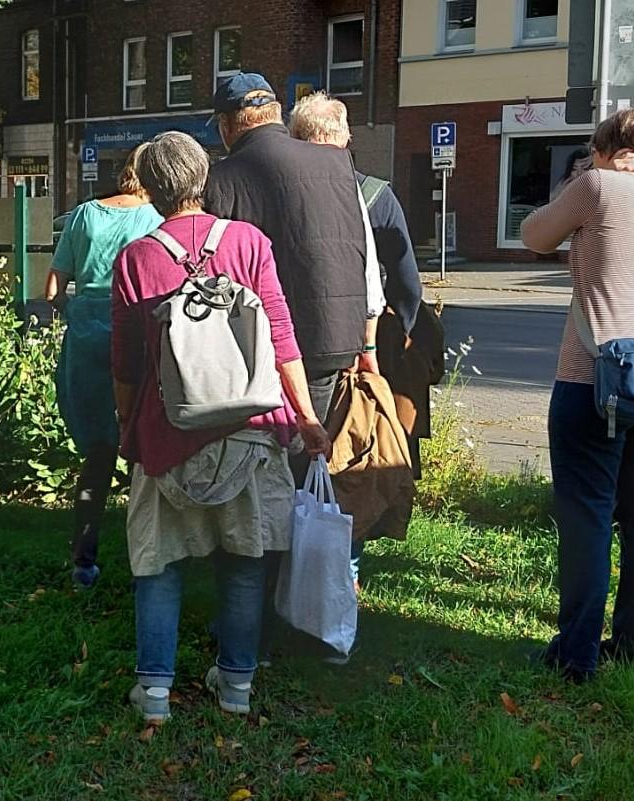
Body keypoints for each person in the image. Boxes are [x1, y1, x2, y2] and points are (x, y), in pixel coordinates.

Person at [111, 132, 332, 723]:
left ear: (151, 190)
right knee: (243, 562)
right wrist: (307, 418)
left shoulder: (136, 259)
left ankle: (154, 691)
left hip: (168, 435)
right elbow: (281, 337)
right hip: (252, 429)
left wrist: (127, 426)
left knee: (159, 564)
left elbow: (127, 364)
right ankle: (236, 685)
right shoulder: (249, 243)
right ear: (204, 178)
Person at [521, 107, 634, 683]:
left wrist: (580, 177)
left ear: (604, 147)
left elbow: (533, 234)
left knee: (587, 513)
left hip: (595, 374)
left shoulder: (595, 185)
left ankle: (576, 654)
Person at [204, 73, 384, 486]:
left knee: (265, 462)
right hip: (334, 336)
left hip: (267, 344)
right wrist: (366, 334)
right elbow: (363, 249)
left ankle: (269, 544)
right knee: (306, 455)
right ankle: (299, 539)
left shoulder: (224, 175)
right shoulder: (336, 161)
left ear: (229, 125)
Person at [290, 91, 431, 589]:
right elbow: (404, 278)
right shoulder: (373, 194)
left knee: (294, 461)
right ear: (345, 138)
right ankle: (343, 580)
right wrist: (399, 337)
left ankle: (290, 571)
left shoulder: (281, 190)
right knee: (353, 459)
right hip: (357, 350)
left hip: (289, 353)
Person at [46, 144, 164, 589]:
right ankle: (145, 558)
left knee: (96, 456)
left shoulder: (82, 215)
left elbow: (54, 286)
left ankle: (83, 559)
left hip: (86, 334)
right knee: (140, 454)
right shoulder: (154, 220)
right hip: (134, 331)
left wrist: (77, 310)